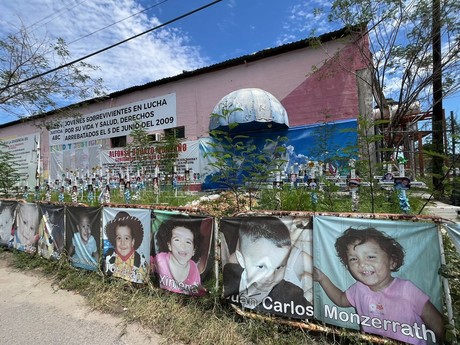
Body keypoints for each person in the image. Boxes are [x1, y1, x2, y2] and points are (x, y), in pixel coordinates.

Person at [314, 227, 444, 345]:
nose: (362, 264)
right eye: (354, 259)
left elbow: (437, 323)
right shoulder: (359, 289)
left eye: (370, 257)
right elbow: (341, 300)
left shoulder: (407, 290)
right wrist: (322, 278)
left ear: (392, 262)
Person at [223, 216, 313, 319]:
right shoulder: (228, 276)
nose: (270, 278)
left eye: (279, 268)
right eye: (261, 266)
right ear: (241, 260)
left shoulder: (292, 298)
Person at [152, 217, 206, 296]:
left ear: (194, 250)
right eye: (177, 240)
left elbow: (195, 291)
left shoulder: (193, 267)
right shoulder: (160, 260)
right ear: (169, 245)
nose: (182, 246)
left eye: (188, 242)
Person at [104, 211, 147, 283]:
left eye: (126, 238)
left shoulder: (140, 260)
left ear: (133, 241)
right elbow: (106, 273)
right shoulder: (110, 256)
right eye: (119, 238)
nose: (122, 243)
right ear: (115, 240)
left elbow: (142, 280)